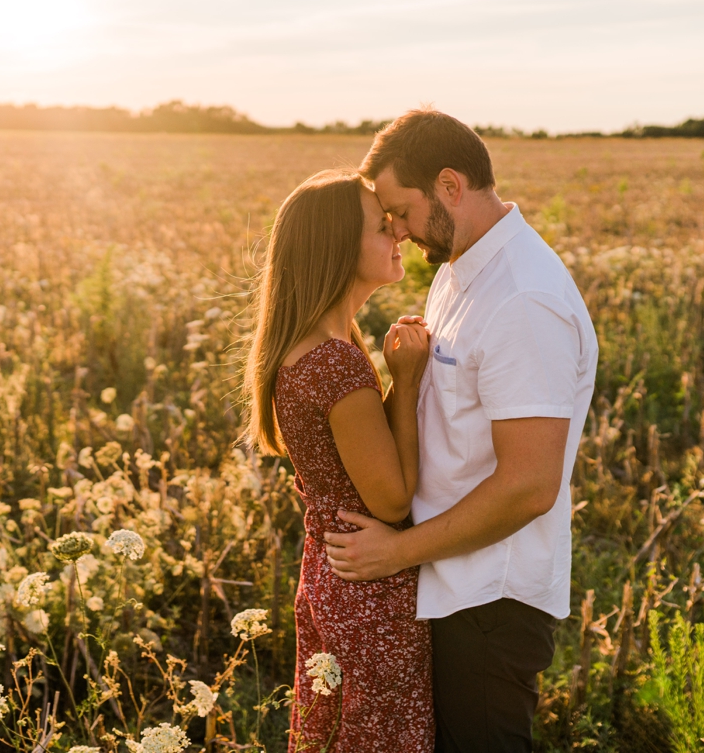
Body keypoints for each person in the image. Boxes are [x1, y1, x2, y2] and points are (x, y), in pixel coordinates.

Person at [324, 110, 599, 753]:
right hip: (449, 581)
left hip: (489, 602)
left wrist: (396, 551)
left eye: (400, 210)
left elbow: (531, 485)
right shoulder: (458, 269)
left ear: (449, 185)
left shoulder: (522, 299)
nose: (395, 229)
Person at [242, 169, 434, 753]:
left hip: (330, 575)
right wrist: (404, 379)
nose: (398, 233)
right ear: (337, 248)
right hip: (372, 590)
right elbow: (392, 498)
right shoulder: (335, 363)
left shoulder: (309, 344)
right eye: (382, 226)